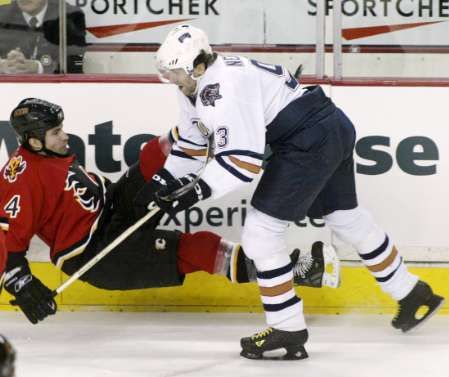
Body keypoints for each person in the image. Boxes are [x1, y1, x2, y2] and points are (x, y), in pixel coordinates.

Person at [139, 24, 445, 360]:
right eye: (167, 73)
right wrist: (165, 180)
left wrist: (194, 193)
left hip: (308, 141)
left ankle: (287, 326)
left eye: (175, 73)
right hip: (331, 125)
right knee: (346, 218)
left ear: (198, 65)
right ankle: (412, 292)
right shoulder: (197, 84)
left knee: (260, 232)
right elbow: (194, 142)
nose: (171, 80)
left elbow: (242, 162)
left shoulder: (223, 87)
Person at [0, 98, 339, 325]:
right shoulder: (20, 178)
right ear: (33, 141)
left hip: (112, 207)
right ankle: (296, 270)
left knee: (152, 155)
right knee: (201, 248)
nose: (65, 137)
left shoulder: (46, 154)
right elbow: (8, 239)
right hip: (98, 253)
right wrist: (21, 283)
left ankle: (206, 124)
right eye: (56, 133)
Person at [0, 0, 86, 74]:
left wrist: (37, 67)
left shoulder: (70, 15)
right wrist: (2, 65)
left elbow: (74, 63)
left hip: (54, 88)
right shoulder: (2, 13)